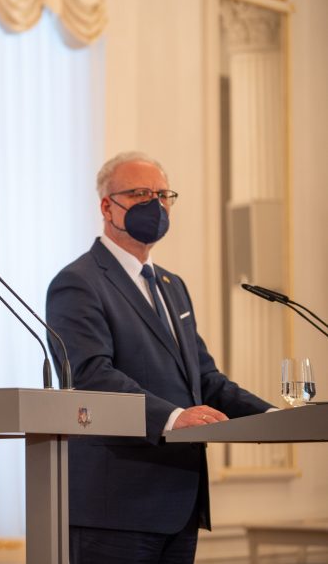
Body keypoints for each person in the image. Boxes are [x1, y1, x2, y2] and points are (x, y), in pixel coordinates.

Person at [46, 151, 274, 564]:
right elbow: (91, 374)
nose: (155, 205)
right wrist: (172, 417)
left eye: (163, 195)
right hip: (114, 507)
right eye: (139, 194)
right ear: (107, 207)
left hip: (179, 504)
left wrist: (273, 417)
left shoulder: (172, 286)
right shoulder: (78, 282)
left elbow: (205, 380)